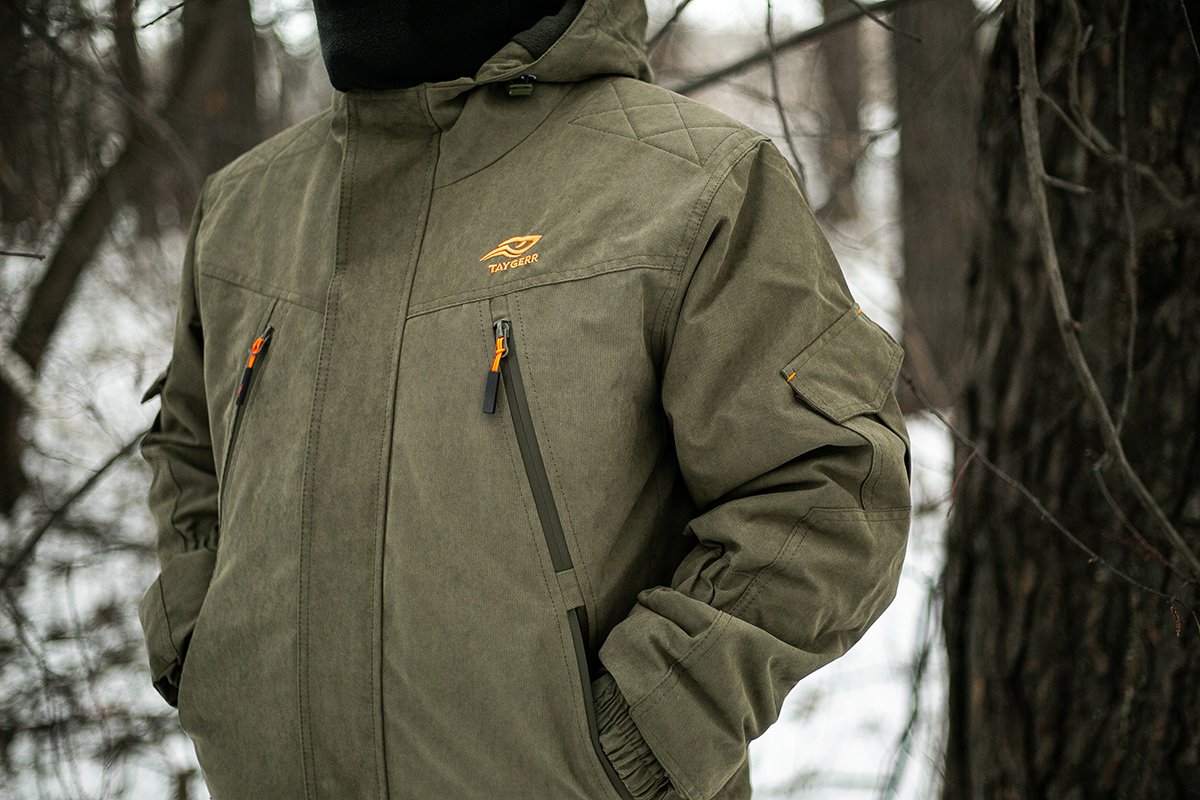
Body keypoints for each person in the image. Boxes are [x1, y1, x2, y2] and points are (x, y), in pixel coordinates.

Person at [135, 1, 912, 798]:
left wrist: (642, 738)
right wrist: (198, 642)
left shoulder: (690, 183)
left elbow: (828, 488)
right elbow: (189, 443)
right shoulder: (245, 206)